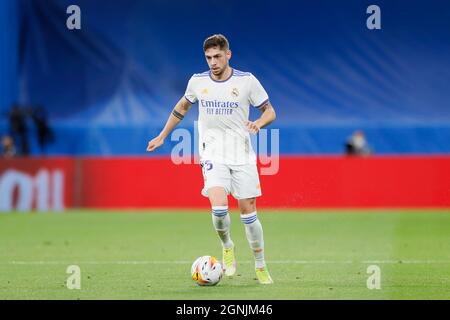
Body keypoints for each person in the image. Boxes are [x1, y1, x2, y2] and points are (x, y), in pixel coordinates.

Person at [147, 34, 276, 284]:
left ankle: (260, 266)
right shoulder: (197, 81)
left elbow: (270, 110)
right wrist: (163, 135)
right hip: (212, 153)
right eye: (208, 57)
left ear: (228, 55)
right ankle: (227, 247)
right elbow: (181, 108)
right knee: (218, 208)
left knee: (248, 214)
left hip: (242, 155)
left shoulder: (247, 81)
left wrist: (259, 122)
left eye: (217, 56)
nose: (213, 62)